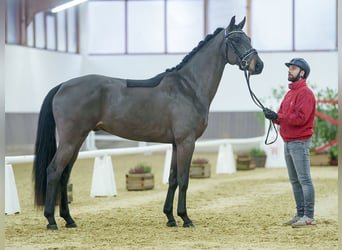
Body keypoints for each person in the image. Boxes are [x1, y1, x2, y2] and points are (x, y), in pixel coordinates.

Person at [263, 58, 316, 228]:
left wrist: (278, 117)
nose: (289, 71)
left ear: (302, 73)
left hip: (299, 141)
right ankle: (300, 213)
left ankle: (308, 216)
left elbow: (300, 119)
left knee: (304, 179)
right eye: (289, 68)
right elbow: (283, 117)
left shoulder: (306, 94)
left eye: (293, 68)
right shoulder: (290, 94)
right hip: (289, 141)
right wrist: (274, 116)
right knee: (295, 180)